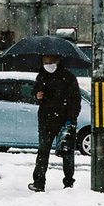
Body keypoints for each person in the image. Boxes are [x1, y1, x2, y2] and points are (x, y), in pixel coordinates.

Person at [29, 55, 81, 192]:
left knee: (66, 151)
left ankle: (68, 182)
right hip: (46, 119)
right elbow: (35, 93)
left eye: (50, 62)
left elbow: (75, 99)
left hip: (64, 119)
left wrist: (71, 118)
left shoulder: (68, 77)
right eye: (45, 62)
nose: (48, 65)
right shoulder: (41, 76)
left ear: (58, 61)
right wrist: (37, 96)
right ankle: (39, 182)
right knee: (43, 151)